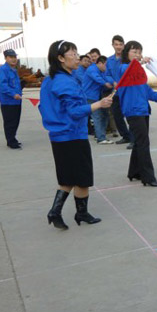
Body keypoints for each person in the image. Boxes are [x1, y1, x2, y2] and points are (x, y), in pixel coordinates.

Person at [39, 40, 113, 230]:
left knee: (71, 177)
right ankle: (65, 212)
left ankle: (73, 212)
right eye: (73, 53)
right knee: (80, 177)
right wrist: (99, 104)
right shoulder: (63, 81)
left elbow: (44, 107)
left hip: (61, 135)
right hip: (72, 135)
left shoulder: (52, 79)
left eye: (76, 52)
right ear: (61, 58)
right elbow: (74, 111)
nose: (77, 57)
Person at [116, 40, 157, 187]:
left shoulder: (139, 72)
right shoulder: (123, 68)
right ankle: (148, 177)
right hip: (133, 111)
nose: (137, 54)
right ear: (126, 53)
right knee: (143, 143)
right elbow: (129, 71)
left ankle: (134, 172)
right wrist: (140, 62)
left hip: (143, 109)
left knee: (139, 142)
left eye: (139, 52)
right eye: (134, 52)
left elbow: (146, 91)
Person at [106, 35, 133, 146]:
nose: (118, 47)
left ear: (124, 45)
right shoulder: (109, 60)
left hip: (127, 92)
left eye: (120, 44)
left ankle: (133, 139)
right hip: (116, 92)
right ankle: (125, 136)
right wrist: (113, 82)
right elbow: (107, 74)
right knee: (117, 116)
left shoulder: (127, 59)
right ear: (112, 45)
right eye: (116, 44)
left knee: (130, 116)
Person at [82, 55, 114, 144]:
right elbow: (98, 78)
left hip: (97, 97)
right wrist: (106, 84)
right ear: (100, 63)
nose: (106, 68)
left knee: (104, 115)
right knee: (97, 117)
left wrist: (113, 82)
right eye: (105, 65)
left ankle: (98, 134)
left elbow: (106, 78)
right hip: (90, 97)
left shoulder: (101, 71)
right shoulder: (92, 69)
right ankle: (101, 138)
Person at [0, 49, 23, 149]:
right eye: (11, 57)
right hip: (8, 102)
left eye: (15, 57)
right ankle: (10, 141)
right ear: (6, 58)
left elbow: (15, 85)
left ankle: (12, 139)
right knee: (10, 122)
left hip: (17, 101)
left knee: (15, 121)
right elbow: (3, 86)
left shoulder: (14, 70)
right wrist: (13, 94)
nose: (13, 59)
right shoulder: (2, 70)